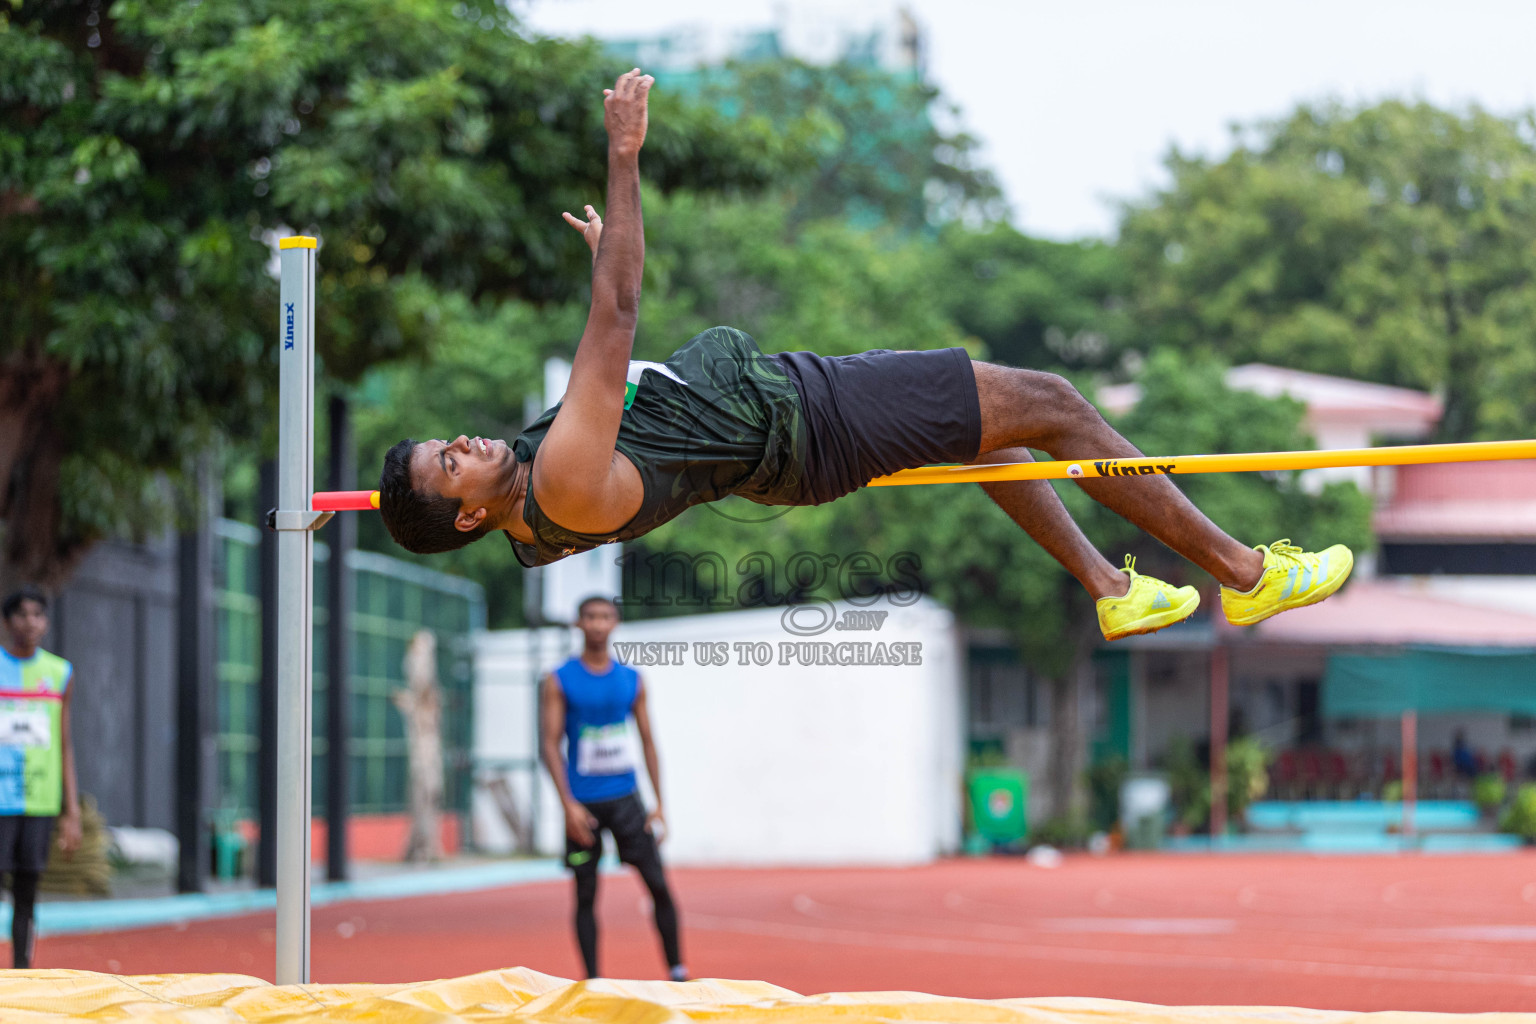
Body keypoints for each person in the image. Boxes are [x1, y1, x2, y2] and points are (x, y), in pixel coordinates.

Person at [378, 69, 1353, 642]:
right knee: (1051, 399)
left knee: (992, 436)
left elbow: (627, 366)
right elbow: (621, 315)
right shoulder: (559, 479)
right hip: (808, 422)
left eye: (447, 439)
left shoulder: (533, 520)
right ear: (466, 510)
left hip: (787, 433)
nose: (463, 439)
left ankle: (1111, 588)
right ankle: (1241, 571)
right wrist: (625, 159)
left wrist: (607, 271)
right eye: (449, 458)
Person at [539, 595, 685, 981]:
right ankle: (592, 981)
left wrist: (659, 803)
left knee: (659, 885)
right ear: (578, 623)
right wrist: (567, 804)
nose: (598, 624)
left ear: (616, 622)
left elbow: (649, 741)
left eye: (605, 617)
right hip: (583, 804)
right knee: (585, 894)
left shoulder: (632, 680)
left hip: (627, 800)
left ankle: (677, 971)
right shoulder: (559, 679)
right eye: (590, 617)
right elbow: (549, 744)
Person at [0, 586, 82, 969]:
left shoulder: (59, 673)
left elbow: (65, 743)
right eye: (22, 614)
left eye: (38, 614)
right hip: (1, 800)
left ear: (46, 623)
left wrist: (72, 811)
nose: (30, 622)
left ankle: (21, 974)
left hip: (39, 800)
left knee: (27, 891)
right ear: (7, 621)